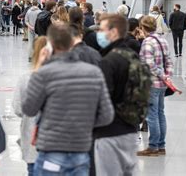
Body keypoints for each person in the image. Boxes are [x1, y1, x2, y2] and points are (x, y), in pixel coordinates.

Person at [22, 23, 114, 175]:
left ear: (50, 44)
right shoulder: (94, 73)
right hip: (81, 151)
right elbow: (107, 115)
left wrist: (38, 66)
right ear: (72, 42)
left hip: (51, 149)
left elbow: (28, 108)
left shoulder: (44, 74)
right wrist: (84, 125)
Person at [93, 14, 142, 175]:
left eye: (101, 29)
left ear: (113, 32)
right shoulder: (133, 56)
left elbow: (101, 100)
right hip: (131, 130)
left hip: (110, 133)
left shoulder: (109, 61)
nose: (98, 33)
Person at [138, 16, 174, 157]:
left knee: (152, 115)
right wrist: (167, 76)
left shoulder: (148, 42)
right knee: (160, 113)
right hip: (162, 85)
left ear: (143, 27)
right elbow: (169, 61)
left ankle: (153, 147)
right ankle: (161, 146)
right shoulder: (163, 40)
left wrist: (161, 75)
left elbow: (149, 64)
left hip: (152, 83)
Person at [13, 36, 48, 175]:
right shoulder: (65, 77)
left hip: (32, 134)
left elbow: (18, 108)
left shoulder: (26, 79)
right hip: (59, 143)